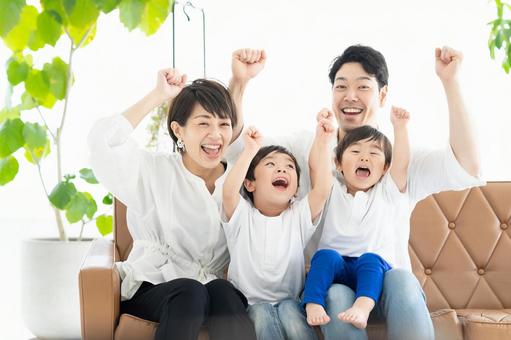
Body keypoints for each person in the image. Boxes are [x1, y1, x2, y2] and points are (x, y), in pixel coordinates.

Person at [227, 45, 484, 339]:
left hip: (388, 288)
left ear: (382, 95)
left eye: (363, 86)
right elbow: (237, 149)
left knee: (400, 279)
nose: (350, 96)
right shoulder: (309, 149)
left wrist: (450, 82)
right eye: (341, 87)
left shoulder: (395, 160)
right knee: (336, 294)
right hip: (333, 285)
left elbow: (468, 165)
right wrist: (240, 82)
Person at [87, 55, 264, 339]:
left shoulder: (241, 178)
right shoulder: (153, 171)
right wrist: (158, 95)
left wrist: (240, 83)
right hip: (154, 287)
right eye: (203, 123)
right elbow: (104, 143)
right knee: (190, 291)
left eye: (223, 124)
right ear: (178, 130)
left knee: (221, 290)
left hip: (210, 287)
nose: (215, 135)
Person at [220, 113, 334, 340]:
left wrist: (323, 142)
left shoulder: (297, 216)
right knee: (262, 316)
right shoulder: (242, 216)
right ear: (250, 184)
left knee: (292, 316)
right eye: (271, 164)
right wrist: (250, 151)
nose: (282, 170)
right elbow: (228, 192)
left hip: (290, 300)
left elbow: (322, 190)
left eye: (289, 167)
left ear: (297, 191)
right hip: (251, 303)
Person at [303, 107, 410, 329]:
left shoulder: (386, 192)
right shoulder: (332, 189)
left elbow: (402, 165)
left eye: (373, 153)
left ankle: (362, 306)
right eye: (355, 152)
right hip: (337, 267)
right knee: (324, 256)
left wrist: (400, 129)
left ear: (385, 168)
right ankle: (312, 302)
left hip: (370, 269)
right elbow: (316, 168)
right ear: (339, 164)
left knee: (371, 259)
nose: (364, 157)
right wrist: (322, 137)